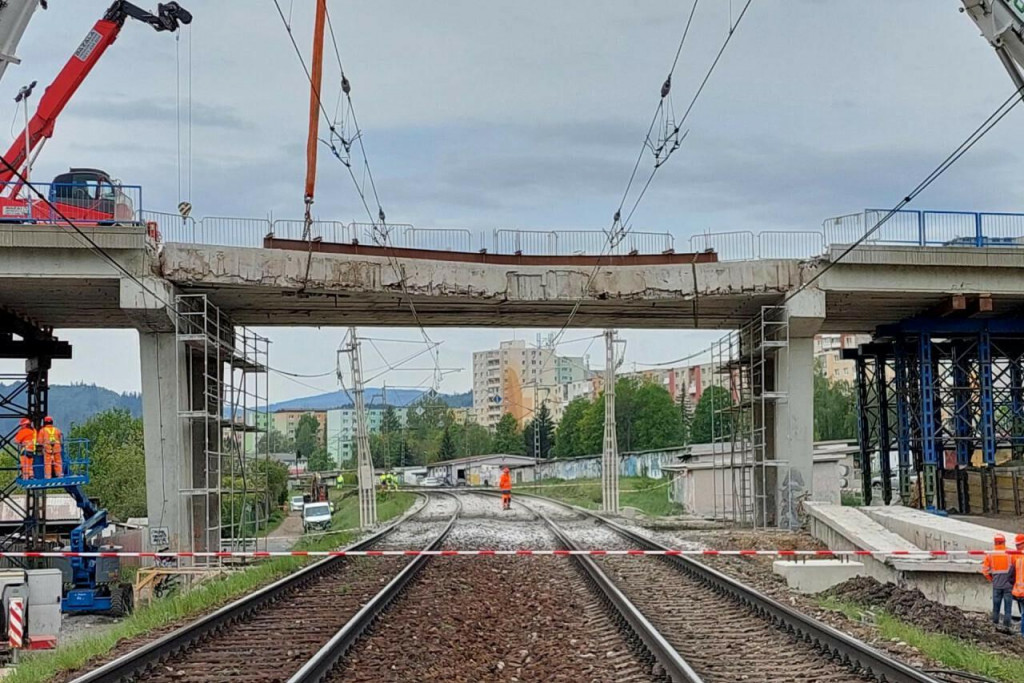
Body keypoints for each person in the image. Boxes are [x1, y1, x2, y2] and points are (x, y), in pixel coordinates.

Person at [982, 534, 1014, 630]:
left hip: (997, 585)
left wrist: (992, 579)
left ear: (995, 542)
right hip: (1008, 585)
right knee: (1008, 609)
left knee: (996, 607)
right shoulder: (1010, 553)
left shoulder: (990, 554)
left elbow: (985, 571)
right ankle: (1007, 627)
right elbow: (1016, 567)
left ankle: (994, 627)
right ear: (1004, 542)